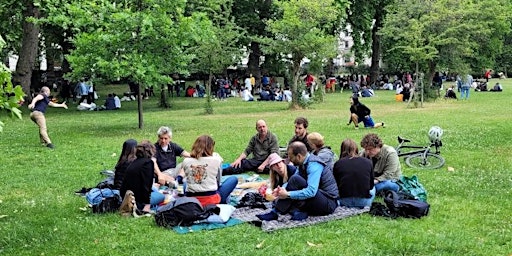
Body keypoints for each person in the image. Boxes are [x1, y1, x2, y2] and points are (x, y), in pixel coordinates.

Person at [256, 142, 339, 221]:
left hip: (328, 203)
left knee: (295, 181)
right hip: (318, 197)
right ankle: (277, 212)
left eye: (291, 157)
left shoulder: (314, 165)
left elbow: (311, 191)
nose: (290, 160)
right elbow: (291, 182)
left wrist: (287, 194)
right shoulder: (303, 163)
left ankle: (289, 211)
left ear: (299, 156)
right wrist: (281, 190)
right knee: (295, 179)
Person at [177, 135, 238, 207]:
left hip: (192, 200)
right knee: (233, 179)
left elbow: (180, 180)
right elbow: (217, 182)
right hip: (211, 200)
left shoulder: (186, 161)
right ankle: (222, 201)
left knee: (184, 184)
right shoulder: (217, 160)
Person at [120, 141, 165, 215]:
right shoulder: (148, 163)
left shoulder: (134, 162)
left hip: (126, 195)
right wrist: (147, 205)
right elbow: (146, 185)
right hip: (138, 199)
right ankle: (143, 207)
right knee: (161, 196)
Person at [333, 139, 375, 208]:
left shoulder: (338, 164)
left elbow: (336, 184)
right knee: (374, 189)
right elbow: (371, 185)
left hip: (344, 200)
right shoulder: (368, 162)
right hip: (364, 201)